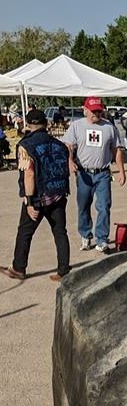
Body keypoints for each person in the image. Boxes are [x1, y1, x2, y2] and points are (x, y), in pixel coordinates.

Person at [0, 109, 71, 281]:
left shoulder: (26, 145)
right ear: (46, 124)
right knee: (60, 232)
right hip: (58, 194)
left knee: (25, 232)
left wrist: (30, 202)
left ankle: (18, 268)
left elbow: (29, 174)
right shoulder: (59, 144)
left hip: (38, 197)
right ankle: (63, 271)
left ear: (28, 124)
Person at [62, 96, 126, 253]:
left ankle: (102, 239)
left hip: (102, 173)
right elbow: (68, 146)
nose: (96, 113)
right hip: (84, 174)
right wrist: (69, 161)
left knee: (104, 206)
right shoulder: (76, 126)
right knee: (83, 206)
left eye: (99, 110)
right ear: (85, 110)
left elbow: (116, 149)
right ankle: (85, 234)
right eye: (93, 111)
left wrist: (122, 171)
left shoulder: (109, 127)